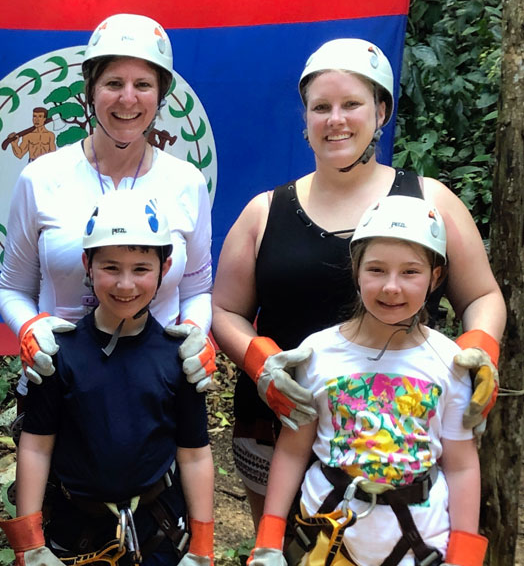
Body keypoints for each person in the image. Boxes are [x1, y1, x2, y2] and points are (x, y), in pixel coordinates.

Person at [210, 38, 505, 527]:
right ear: (304, 119)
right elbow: (224, 311)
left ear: (381, 110)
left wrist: (479, 352)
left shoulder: (430, 200)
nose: (336, 119)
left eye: (351, 104)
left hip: (402, 435)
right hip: (281, 420)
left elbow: (482, 295)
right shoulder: (265, 212)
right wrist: (261, 366)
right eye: (320, 107)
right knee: (283, 547)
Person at [248, 195, 487, 566]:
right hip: (328, 536)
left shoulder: (449, 362)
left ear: (435, 276)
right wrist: (269, 540)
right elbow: (294, 449)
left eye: (410, 272)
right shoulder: (318, 353)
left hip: (418, 543)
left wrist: (465, 556)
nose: (392, 287)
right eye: (376, 270)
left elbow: (461, 465)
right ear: (356, 270)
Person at [0, 13, 216, 400]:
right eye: (113, 83)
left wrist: (197, 335)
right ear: (90, 90)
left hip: (156, 387)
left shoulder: (187, 183)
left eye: (143, 85)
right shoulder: (41, 178)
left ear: (161, 95)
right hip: (58, 384)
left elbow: (197, 289)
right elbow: (13, 287)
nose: (127, 98)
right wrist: (30, 329)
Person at [0, 190, 215, 566]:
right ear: (88, 265)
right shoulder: (58, 356)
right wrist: (29, 543)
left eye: (141, 269)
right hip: (73, 532)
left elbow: (194, 454)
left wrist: (202, 546)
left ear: (165, 269)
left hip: (158, 531)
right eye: (111, 268)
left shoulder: (177, 358)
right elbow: (35, 447)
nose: (126, 285)